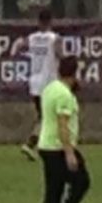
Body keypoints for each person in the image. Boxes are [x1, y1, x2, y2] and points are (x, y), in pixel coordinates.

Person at [39, 55, 90, 203]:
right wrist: (69, 153)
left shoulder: (50, 88)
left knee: (54, 187)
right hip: (59, 147)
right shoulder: (64, 95)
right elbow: (62, 125)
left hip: (46, 146)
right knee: (82, 181)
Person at [17, 8, 59, 161]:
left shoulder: (32, 38)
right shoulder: (53, 38)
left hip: (34, 83)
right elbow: (62, 55)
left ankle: (43, 145)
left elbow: (20, 45)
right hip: (48, 83)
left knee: (45, 116)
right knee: (48, 117)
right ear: (50, 21)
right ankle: (31, 144)